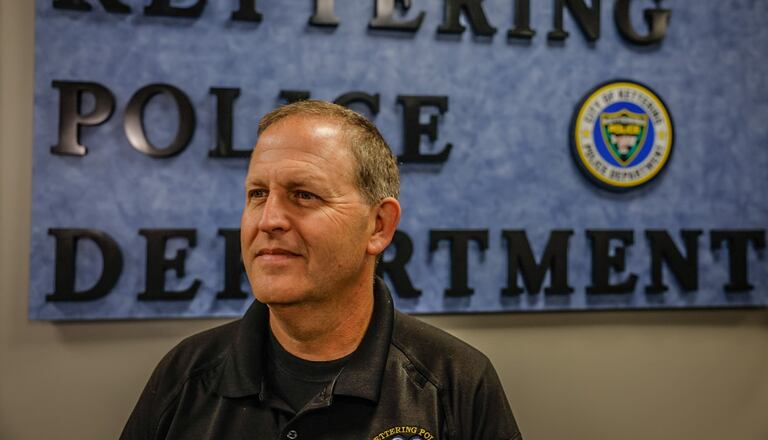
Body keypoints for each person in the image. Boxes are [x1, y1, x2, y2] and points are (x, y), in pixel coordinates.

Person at [121, 100, 522, 440]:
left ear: (378, 226)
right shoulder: (186, 375)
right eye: (257, 194)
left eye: (304, 195)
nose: (269, 220)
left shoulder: (455, 384)